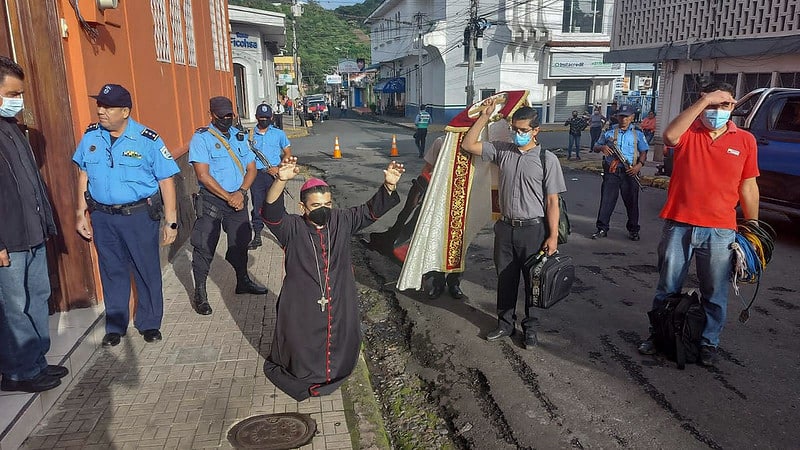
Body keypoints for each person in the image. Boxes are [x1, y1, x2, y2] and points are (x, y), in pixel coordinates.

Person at [261, 157, 404, 401]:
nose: (323, 210)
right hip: (302, 297)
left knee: (337, 333)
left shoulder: (342, 220)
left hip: (338, 292)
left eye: (327, 203)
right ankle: (306, 373)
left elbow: (371, 211)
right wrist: (280, 180)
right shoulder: (291, 227)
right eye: (316, 205)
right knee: (302, 339)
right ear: (302, 207)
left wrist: (388, 186)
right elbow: (271, 212)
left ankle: (334, 371)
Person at [638, 82, 759, 366]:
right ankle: (659, 335)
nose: (717, 111)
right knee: (667, 286)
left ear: (733, 107)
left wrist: (753, 227)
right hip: (679, 223)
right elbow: (668, 136)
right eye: (712, 105)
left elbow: (749, 186)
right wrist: (704, 101)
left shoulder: (745, 140)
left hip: (720, 230)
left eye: (725, 105)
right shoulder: (689, 132)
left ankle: (708, 342)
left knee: (714, 291)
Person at [74, 83, 179, 348]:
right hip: (103, 217)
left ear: (125, 111)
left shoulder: (147, 139)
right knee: (112, 271)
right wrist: (80, 212)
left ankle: (149, 322)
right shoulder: (91, 137)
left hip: (138, 217)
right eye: (99, 105)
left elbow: (166, 180)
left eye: (108, 107)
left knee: (146, 270)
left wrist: (171, 221)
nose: (101, 111)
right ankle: (115, 325)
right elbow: (84, 174)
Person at [461, 98, 566, 349]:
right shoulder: (502, 151)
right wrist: (484, 117)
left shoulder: (546, 160)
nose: (518, 134)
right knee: (505, 279)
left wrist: (552, 236)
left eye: (523, 131)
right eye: (515, 129)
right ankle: (505, 324)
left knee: (533, 282)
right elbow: (469, 144)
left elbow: (553, 202)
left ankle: (530, 329)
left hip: (534, 230)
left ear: (536, 130)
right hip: (506, 228)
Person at [0, 56, 67, 393]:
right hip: (8, 241)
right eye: (13, 93)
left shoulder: (12, 128)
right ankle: (18, 372)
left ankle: (36, 362)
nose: (19, 100)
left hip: (34, 232)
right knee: (14, 306)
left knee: (38, 296)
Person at [189, 96, 267, 316]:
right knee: (204, 246)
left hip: (238, 199)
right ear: (211, 114)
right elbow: (203, 176)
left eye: (229, 115)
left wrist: (240, 193)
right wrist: (228, 196)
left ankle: (242, 281)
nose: (226, 119)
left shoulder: (239, 136)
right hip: (213, 200)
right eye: (221, 115)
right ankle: (200, 292)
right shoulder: (201, 138)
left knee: (240, 243)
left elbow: (251, 169)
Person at [591, 104, 649, 241]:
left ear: (632, 117)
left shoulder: (637, 134)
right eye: (621, 116)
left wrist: (639, 166)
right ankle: (602, 228)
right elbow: (595, 146)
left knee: (632, 202)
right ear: (617, 117)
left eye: (626, 117)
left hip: (630, 171)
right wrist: (602, 147)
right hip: (612, 171)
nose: (623, 119)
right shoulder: (609, 132)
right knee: (607, 200)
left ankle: (633, 230)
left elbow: (643, 152)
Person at [421, 136, 464, 299]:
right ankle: (437, 283)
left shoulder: (473, 144)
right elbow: (427, 168)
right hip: (438, 200)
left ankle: (454, 283)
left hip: (460, 201)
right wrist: (424, 193)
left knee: (458, 245)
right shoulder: (441, 142)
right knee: (436, 243)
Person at [247, 103, 291, 250]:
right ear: (256, 117)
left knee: (277, 205)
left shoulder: (279, 134)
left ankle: (284, 236)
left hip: (274, 174)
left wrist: (278, 168)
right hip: (257, 175)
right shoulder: (250, 135)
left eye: (267, 117)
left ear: (271, 117)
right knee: (257, 205)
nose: (264, 119)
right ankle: (257, 235)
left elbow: (287, 153)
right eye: (261, 117)